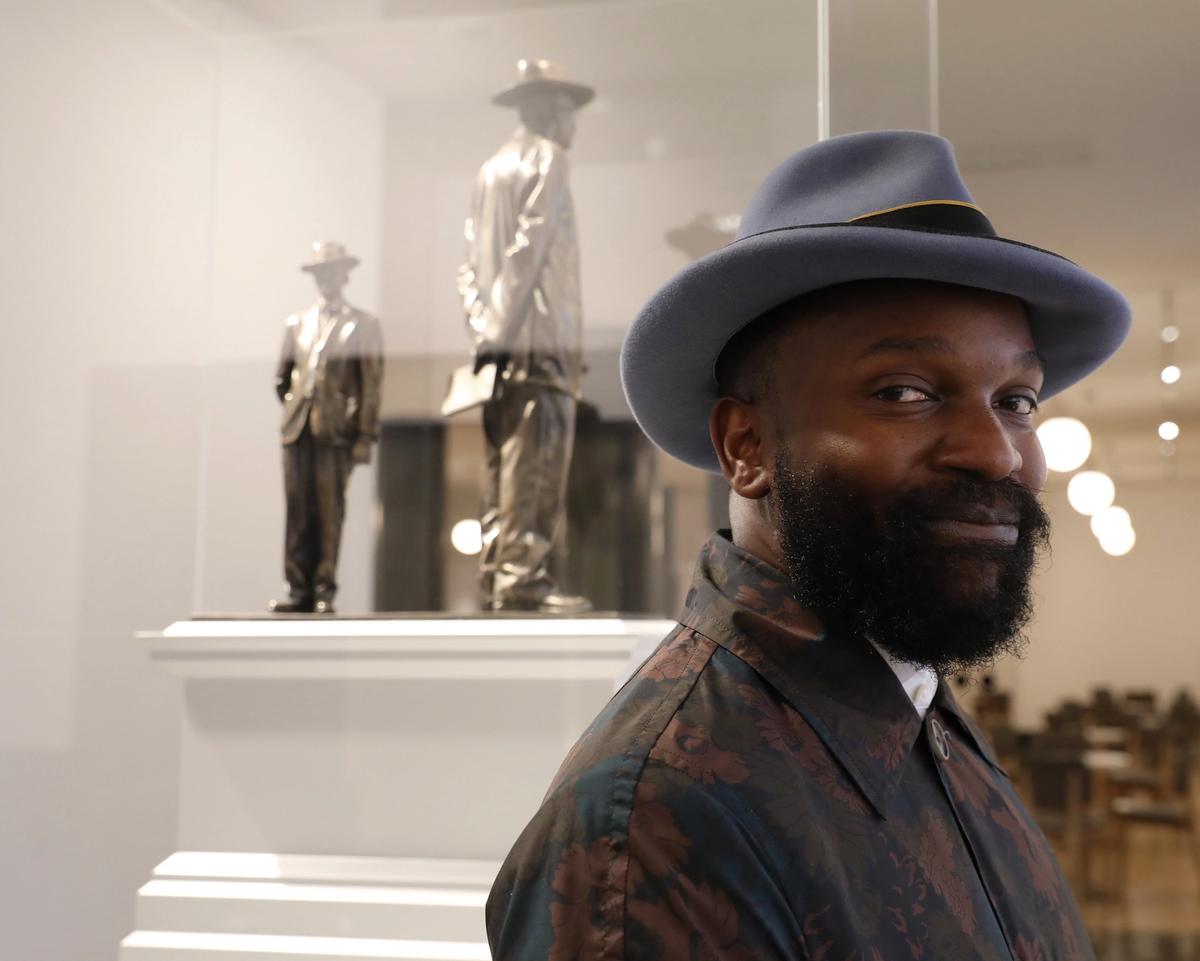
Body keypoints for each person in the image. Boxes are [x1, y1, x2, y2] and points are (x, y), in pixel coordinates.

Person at [486, 131, 1131, 959]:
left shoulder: (919, 713)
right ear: (747, 446)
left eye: (1017, 399)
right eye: (905, 391)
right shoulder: (662, 815)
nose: (998, 452)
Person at [455, 59, 593, 613]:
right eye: (568, 112)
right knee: (536, 461)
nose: (572, 126)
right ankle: (522, 579)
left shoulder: (489, 170)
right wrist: (504, 330)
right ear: (546, 109)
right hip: (538, 341)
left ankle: (496, 578)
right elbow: (527, 253)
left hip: (500, 347)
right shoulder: (546, 158)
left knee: (503, 465)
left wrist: (483, 333)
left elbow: (468, 266)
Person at [269, 241, 383, 615]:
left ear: (344, 274)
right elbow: (282, 379)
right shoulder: (296, 324)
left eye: (332, 272)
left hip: (336, 432)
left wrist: (364, 434)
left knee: (329, 511)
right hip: (297, 428)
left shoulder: (363, 325)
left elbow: (370, 384)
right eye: (320, 273)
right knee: (297, 510)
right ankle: (297, 587)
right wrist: (294, 407)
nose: (326, 280)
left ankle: (323, 589)